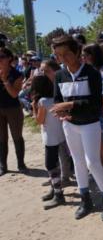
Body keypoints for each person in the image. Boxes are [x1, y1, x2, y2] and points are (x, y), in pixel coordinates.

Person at [51, 34, 103, 221]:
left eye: (66, 54)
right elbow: (57, 100)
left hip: (90, 124)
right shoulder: (59, 75)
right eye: (58, 55)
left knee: (92, 163)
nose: (62, 59)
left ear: (78, 52)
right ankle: (85, 200)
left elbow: (96, 102)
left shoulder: (91, 73)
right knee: (78, 162)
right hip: (69, 125)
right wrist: (61, 112)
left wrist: (70, 106)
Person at [31, 75, 67, 209]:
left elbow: (39, 121)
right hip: (60, 134)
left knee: (50, 165)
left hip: (50, 137)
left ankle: (58, 194)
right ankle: (54, 189)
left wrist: (34, 108)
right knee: (56, 163)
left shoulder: (42, 101)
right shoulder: (56, 98)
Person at [82, 43, 103, 183]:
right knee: (95, 146)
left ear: (92, 56)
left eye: (85, 55)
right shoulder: (87, 70)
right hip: (90, 112)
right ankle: (99, 173)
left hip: (102, 111)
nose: (82, 58)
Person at [0, 47, 27, 176]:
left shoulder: (17, 74)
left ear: (9, 58)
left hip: (13, 109)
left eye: (1, 56)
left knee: (17, 136)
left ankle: (21, 164)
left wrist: (5, 80)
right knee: (1, 138)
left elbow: (14, 94)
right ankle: (3, 165)